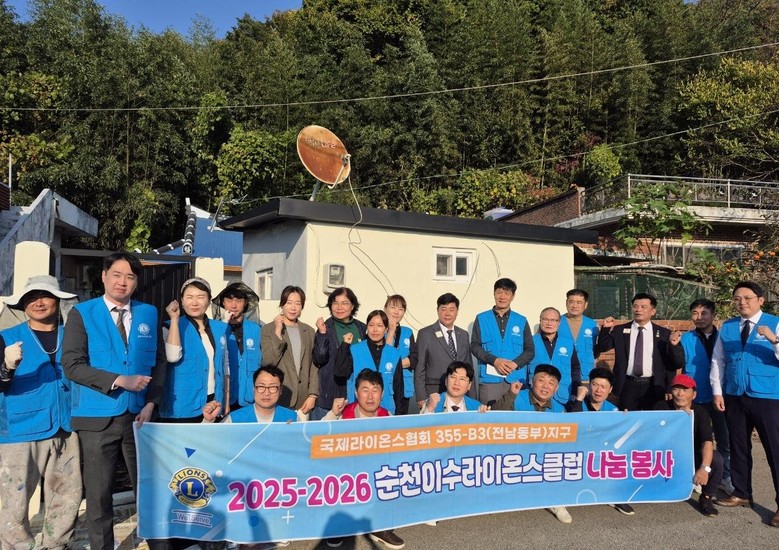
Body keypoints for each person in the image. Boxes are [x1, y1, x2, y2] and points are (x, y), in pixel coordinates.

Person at [62, 252, 167, 550]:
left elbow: (159, 362)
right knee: (98, 496)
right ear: (104, 276)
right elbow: (72, 365)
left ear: (136, 282)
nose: (123, 282)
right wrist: (119, 380)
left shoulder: (148, 313)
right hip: (97, 418)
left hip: (140, 417)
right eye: (117, 275)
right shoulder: (82, 313)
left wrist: (152, 402)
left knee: (149, 489)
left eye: (130, 277)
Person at [0, 276, 81, 550]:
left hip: (66, 425)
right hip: (20, 430)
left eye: (45, 296)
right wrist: (7, 367)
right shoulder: (5, 337)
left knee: (67, 494)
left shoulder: (73, 335)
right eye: (31, 297)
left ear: (57, 301)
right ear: (23, 304)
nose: (38, 302)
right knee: (15, 499)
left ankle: (57, 545)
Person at [711, 282, 779, 527]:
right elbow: (718, 360)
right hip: (735, 394)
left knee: (775, 449)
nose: (742, 302)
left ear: (760, 300)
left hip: (767, 396)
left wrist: (774, 340)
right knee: (738, 445)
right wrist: (718, 392)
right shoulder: (728, 327)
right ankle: (741, 492)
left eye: (747, 297)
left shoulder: (775, 323)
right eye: (737, 298)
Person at [325, 369, 405, 549]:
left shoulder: (388, 417)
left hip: (375, 474)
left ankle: (381, 528)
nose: (370, 396)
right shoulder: (343, 414)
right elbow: (318, 436)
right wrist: (332, 414)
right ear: (356, 392)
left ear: (382, 394)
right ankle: (339, 526)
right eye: (365, 390)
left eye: (375, 390)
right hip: (347, 474)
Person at [493, 364, 571, 524]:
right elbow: (495, 418)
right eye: (541, 380)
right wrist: (510, 394)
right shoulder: (516, 396)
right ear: (532, 381)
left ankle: (556, 501)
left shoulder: (560, 410)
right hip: (515, 454)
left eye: (551, 383)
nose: (545, 386)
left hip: (544, 458)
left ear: (556, 388)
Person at [679, 298, 732, 494]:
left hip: (719, 396)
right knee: (693, 439)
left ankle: (725, 477)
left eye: (704, 313)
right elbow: (677, 366)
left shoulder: (724, 337)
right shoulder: (686, 339)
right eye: (695, 313)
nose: (699, 317)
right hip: (694, 397)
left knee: (724, 439)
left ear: (713, 315)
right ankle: (694, 475)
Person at [595, 293, 683, 411]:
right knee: (628, 418)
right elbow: (603, 347)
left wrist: (668, 387)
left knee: (652, 419)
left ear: (653, 311)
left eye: (643, 307)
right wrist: (605, 329)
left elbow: (674, 364)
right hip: (628, 384)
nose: (638, 310)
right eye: (635, 306)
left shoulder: (664, 333)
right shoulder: (620, 330)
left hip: (653, 385)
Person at [160, 278, 229, 422]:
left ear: (209, 300)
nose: (195, 302)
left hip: (213, 402)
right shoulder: (169, 326)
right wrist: (174, 319)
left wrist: (226, 400)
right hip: (182, 405)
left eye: (201, 297)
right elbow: (172, 357)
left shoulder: (220, 328)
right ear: (182, 301)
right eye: (189, 297)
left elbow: (225, 366)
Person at [568, 368, 635, 516]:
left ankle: (616, 496)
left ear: (610, 389)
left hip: (602, 454)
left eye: (603, 386)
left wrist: (625, 420)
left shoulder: (613, 409)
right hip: (579, 453)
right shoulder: (577, 403)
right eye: (595, 385)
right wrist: (579, 399)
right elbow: (572, 424)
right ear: (589, 385)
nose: (598, 390)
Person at [655, 374, 724, 517]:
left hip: (691, 455)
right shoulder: (661, 407)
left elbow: (707, 441)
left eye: (685, 390)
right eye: (676, 389)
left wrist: (704, 468)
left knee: (716, 459)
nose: (680, 394)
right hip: (665, 456)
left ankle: (706, 497)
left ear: (694, 394)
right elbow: (645, 430)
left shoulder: (701, 413)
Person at [471, 278, 534, 406]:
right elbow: (475, 346)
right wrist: (494, 361)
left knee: (516, 415)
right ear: (494, 294)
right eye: (499, 292)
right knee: (489, 414)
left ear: (513, 296)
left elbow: (530, 350)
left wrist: (515, 363)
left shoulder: (521, 320)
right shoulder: (482, 318)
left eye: (507, 293)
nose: (502, 296)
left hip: (515, 379)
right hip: (490, 380)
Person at [260, 285, 318, 414]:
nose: (293, 307)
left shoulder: (309, 331)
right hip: (278, 396)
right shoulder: (268, 330)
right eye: (289, 302)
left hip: (303, 400)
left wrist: (313, 395)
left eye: (298, 303)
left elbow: (314, 366)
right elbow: (269, 362)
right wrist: (277, 333)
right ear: (282, 304)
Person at [506, 307, 579, 408]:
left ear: (559, 322)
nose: (549, 323)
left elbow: (575, 369)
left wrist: (574, 393)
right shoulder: (530, 341)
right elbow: (522, 368)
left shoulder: (568, 343)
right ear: (540, 320)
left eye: (553, 320)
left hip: (563, 397)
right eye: (545, 319)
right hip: (535, 398)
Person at [311, 287, 366, 420]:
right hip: (330, 395)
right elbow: (319, 359)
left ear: (352, 306)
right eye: (335, 303)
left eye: (344, 303)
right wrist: (322, 334)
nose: (339, 307)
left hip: (355, 394)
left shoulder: (361, 328)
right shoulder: (326, 327)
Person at [334, 310, 403, 415]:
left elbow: (398, 388)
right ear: (367, 328)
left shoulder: (394, 354)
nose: (375, 330)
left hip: (387, 411)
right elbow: (340, 372)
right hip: (358, 412)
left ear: (386, 329)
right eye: (371, 325)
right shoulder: (355, 350)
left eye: (380, 325)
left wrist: (399, 417)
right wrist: (345, 345)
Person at [415, 293, 473, 409]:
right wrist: (421, 397)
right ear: (437, 310)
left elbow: (469, 368)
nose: (447, 313)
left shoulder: (463, 335)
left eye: (451, 310)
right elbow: (420, 367)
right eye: (443, 309)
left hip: (459, 393)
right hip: (434, 391)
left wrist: (472, 396)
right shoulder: (425, 334)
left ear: (457, 311)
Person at [213, 281, 262, 410]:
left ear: (245, 303)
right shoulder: (215, 328)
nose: (234, 305)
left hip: (250, 397)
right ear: (223, 302)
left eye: (239, 300)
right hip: (223, 398)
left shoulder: (257, 329)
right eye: (229, 300)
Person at [203, 365, 296, 424]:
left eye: (272, 387)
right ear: (253, 388)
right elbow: (209, 443)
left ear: (280, 390)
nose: (266, 393)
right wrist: (208, 421)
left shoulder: (294, 419)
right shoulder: (234, 419)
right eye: (261, 386)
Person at [384, 295, 415, 415]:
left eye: (401, 309)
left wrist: (394, 365)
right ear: (385, 308)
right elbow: (382, 357)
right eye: (393, 307)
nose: (396, 312)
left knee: (401, 420)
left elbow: (414, 359)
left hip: (404, 385)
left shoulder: (408, 332)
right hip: (384, 385)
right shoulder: (378, 330)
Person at [559, 289, 598, 380]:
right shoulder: (556, 322)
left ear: (586, 304)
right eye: (571, 302)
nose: (575, 306)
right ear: (566, 303)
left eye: (579, 302)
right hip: (562, 375)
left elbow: (596, 351)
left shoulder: (593, 325)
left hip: (585, 375)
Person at [421, 361, 488, 413]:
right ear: (446, 381)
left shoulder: (476, 407)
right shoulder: (431, 402)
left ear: (469, 385)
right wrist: (430, 409)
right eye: (453, 377)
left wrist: (486, 416)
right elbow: (422, 425)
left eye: (462, 379)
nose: (456, 383)